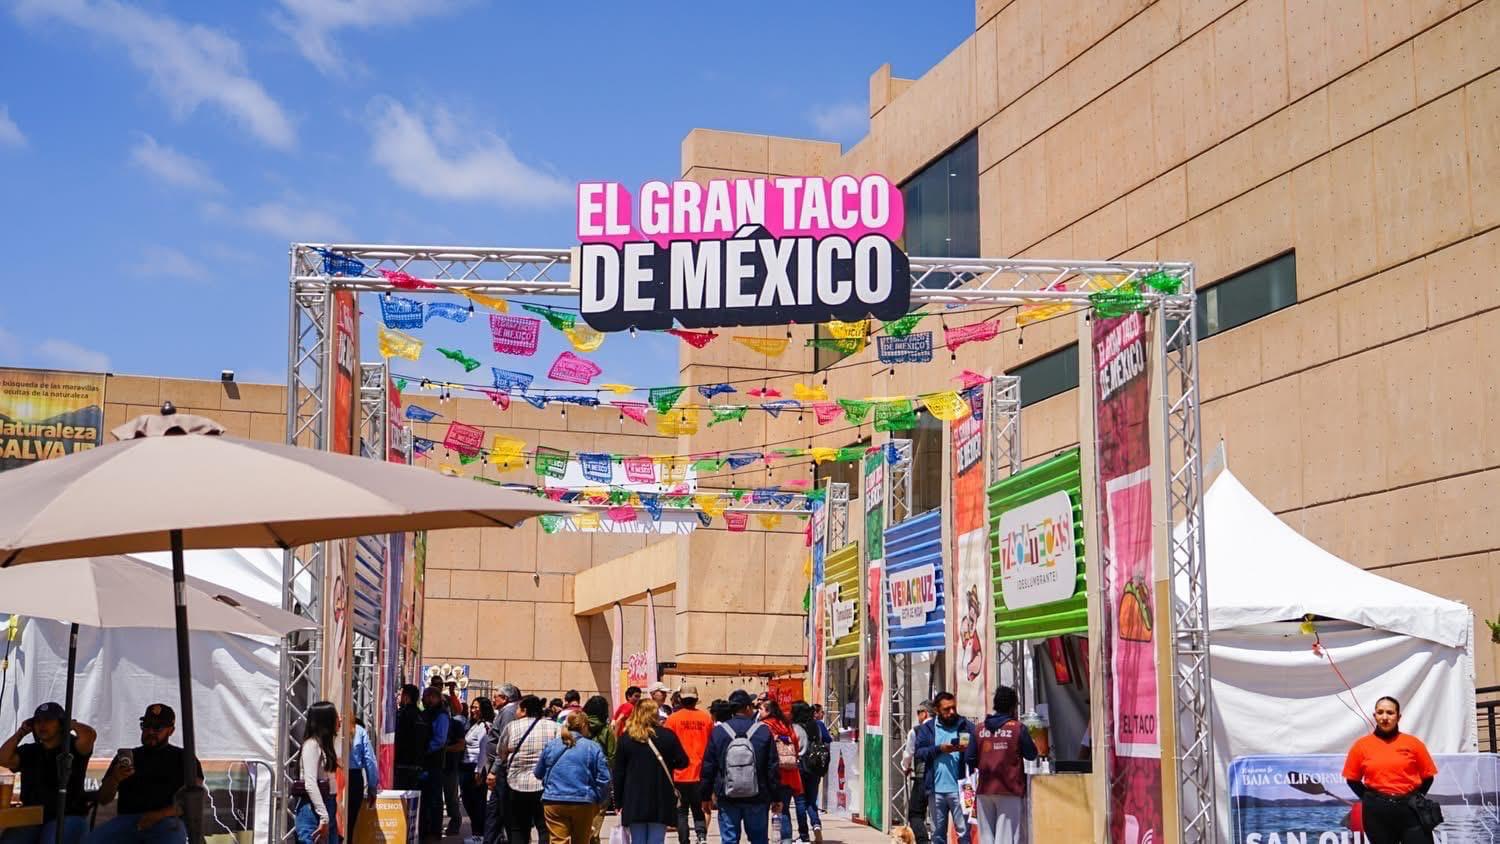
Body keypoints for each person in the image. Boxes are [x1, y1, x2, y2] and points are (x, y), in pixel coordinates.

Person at [91, 703, 204, 844]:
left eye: (157, 728)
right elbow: (103, 799)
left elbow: (192, 802)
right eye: (146, 725)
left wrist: (158, 815)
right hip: (127, 822)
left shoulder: (184, 757)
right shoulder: (128, 757)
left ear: (171, 731)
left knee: (172, 836)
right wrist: (114, 779)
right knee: (92, 840)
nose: (150, 731)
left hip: (167, 821)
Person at [1343, 696, 1439, 844]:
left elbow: (1428, 777)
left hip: (1411, 810)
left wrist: (1416, 798)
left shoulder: (1413, 743)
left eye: (1390, 712)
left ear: (1398, 717)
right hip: (1377, 813)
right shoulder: (1361, 746)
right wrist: (1370, 800)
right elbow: (1352, 780)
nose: (1385, 717)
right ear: (1375, 716)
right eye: (1380, 712)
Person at [0, 702, 95, 844]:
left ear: (61, 724)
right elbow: (3, 759)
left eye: (48, 720)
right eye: (37, 721)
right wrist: (21, 732)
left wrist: (71, 724)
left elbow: (90, 735)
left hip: (67, 815)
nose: (42, 725)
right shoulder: (30, 751)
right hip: (32, 816)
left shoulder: (73, 747)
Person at [700, 690, 781, 844]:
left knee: (729, 839)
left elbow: (709, 766)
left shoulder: (719, 732)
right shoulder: (763, 731)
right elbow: (772, 767)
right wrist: (776, 796)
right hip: (757, 796)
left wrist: (705, 796)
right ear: (748, 707)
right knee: (759, 839)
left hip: (727, 795)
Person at [968, 687, 1037, 844]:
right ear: (1013, 707)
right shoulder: (1017, 728)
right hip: (1009, 789)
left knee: (986, 838)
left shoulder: (979, 729)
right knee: (1006, 838)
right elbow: (1032, 755)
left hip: (984, 790)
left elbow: (969, 758)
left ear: (996, 705)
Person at [613, 701, 688, 844]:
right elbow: (683, 761)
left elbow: (619, 772)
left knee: (638, 840)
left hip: (634, 797)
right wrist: (668, 763)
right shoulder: (667, 736)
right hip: (660, 795)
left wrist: (618, 801)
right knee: (656, 840)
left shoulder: (627, 738)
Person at [533, 712, 610, 844]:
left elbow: (538, 773)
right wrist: (598, 799)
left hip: (554, 800)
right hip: (583, 801)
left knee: (557, 841)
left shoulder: (552, 745)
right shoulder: (593, 747)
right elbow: (604, 778)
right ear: (584, 726)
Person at [912, 692, 976, 844]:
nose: (952, 712)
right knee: (937, 835)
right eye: (947, 709)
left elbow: (976, 751)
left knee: (964, 834)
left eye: (953, 707)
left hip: (963, 789)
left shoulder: (966, 726)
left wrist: (967, 750)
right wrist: (940, 749)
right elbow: (919, 753)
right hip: (936, 791)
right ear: (937, 710)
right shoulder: (928, 728)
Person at [498, 696, 560, 844]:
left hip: (516, 784)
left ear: (524, 710)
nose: (516, 712)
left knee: (518, 828)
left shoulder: (512, 727)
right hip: (544, 785)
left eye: (518, 708)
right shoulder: (554, 727)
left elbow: (501, 752)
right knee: (544, 828)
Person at [664, 686, 713, 844]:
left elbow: (667, 745)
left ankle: (684, 840)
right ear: (696, 699)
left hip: (679, 774)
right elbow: (711, 745)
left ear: (680, 699)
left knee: (681, 811)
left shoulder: (672, 719)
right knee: (699, 809)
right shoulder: (706, 718)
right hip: (701, 773)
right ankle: (701, 836)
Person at [294, 702, 341, 844]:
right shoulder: (312, 745)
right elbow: (310, 784)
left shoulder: (325, 745)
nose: (339, 719)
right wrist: (324, 817)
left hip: (326, 806)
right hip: (313, 809)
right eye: (335, 716)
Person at [484, 684, 524, 844]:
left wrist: (494, 770)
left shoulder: (508, 712)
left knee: (503, 811)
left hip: (502, 771)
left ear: (505, 698)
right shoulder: (506, 711)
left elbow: (504, 745)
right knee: (494, 811)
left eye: (496, 697)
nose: (493, 700)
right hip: (499, 769)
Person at [789, 702, 829, 844]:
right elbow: (826, 740)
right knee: (811, 801)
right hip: (814, 766)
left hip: (799, 766)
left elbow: (793, 747)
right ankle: (816, 824)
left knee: (800, 801)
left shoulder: (794, 727)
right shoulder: (816, 726)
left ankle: (804, 835)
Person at [580, 696, 617, 844]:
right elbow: (612, 755)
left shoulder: (581, 726)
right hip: (600, 780)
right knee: (596, 821)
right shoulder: (607, 730)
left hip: (580, 777)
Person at [464, 697, 497, 841]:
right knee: (468, 801)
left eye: (476, 707)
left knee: (477, 803)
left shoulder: (485, 726)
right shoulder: (474, 725)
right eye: (472, 707)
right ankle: (476, 833)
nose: (473, 710)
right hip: (467, 766)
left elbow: (484, 750)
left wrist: (478, 771)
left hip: (476, 767)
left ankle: (479, 834)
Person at [900, 702, 932, 844]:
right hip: (940, 778)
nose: (918, 716)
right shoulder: (942, 728)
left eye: (918, 712)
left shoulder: (916, 731)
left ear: (924, 713)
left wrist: (905, 767)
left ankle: (923, 841)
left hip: (922, 777)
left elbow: (908, 754)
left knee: (915, 814)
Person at [345, 719, 380, 839]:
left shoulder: (330, 729)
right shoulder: (359, 731)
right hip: (354, 778)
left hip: (335, 776)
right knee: (350, 823)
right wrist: (372, 786)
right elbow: (370, 760)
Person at [394, 684, 429, 791]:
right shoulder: (422, 715)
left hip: (402, 764)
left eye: (400, 694)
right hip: (418, 764)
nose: (398, 697)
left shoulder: (402, 714)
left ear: (406, 697)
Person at [444, 698, 469, 835]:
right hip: (434, 766)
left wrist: (444, 749)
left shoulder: (456, 724)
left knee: (451, 798)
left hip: (450, 766)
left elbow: (461, 745)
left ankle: (455, 823)